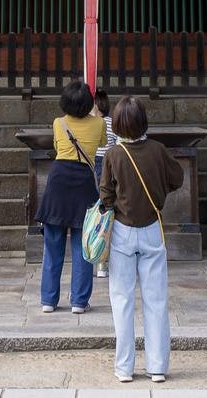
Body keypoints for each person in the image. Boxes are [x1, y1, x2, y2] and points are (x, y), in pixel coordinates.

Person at [99, 96, 183, 383]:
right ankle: (157, 366)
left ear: (118, 124)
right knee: (156, 300)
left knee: (121, 299)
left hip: (122, 229)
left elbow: (105, 196)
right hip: (151, 228)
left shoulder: (113, 155)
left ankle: (124, 367)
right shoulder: (158, 150)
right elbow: (177, 178)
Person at [36, 80, 103, 314]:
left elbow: (57, 146)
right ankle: (79, 301)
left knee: (52, 246)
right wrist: (93, 116)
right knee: (81, 247)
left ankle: (48, 300)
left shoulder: (59, 123)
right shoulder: (99, 124)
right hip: (83, 182)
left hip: (58, 182)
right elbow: (102, 143)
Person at [92, 89, 115, 279]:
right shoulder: (98, 123)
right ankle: (100, 260)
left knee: (99, 214)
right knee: (100, 214)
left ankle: (101, 261)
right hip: (99, 165)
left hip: (102, 165)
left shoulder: (105, 122)